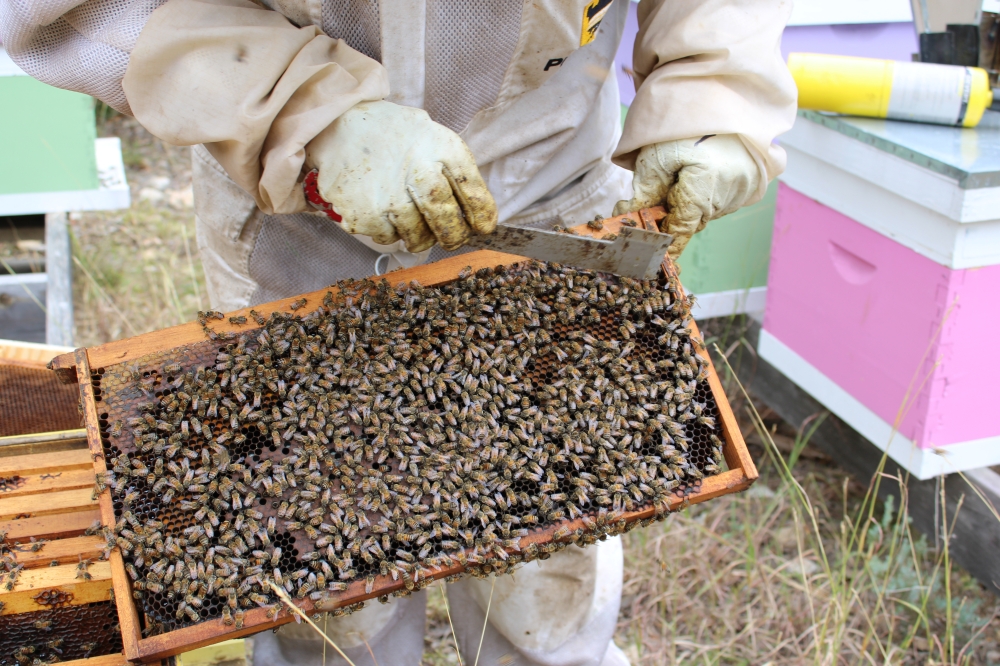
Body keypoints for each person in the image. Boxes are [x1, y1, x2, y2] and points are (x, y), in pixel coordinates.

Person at [1, 1, 796, 663]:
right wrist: (303, 109)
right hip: (296, 202)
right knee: (320, 576)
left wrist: (713, 91)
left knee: (550, 563)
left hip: (551, 188)